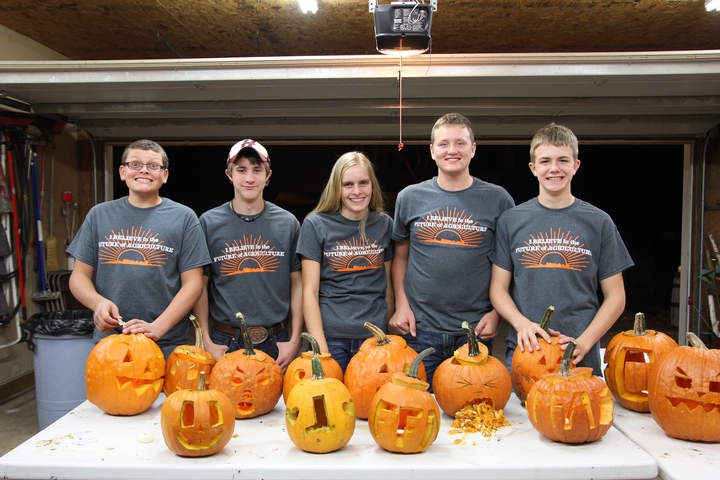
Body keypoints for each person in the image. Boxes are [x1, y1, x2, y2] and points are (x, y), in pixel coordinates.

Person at [489, 123, 634, 376]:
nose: (554, 169)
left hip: (579, 354)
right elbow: (498, 289)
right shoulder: (511, 220)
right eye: (545, 161)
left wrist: (585, 341)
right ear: (533, 168)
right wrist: (521, 324)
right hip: (527, 352)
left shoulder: (599, 222)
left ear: (576, 165)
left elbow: (616, 297)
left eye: (563, 160)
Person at [390, 113, 515, 388]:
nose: (452, 150)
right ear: (432, 150)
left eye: (460, 143)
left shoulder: (498, 200)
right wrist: (401, 304)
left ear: (473, 149)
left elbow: (507, 266)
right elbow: (400, 256)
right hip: (419, 329)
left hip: (476, 330)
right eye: (444, 143)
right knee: (417, 408)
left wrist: (497, 314)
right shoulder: (409, 197)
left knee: (472, 410)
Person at [68, 139, 210, 358]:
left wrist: (158, 327)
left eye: (153, 165)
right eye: (135, 164)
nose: (144, 170)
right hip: (111, 341)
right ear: (122, 172)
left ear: (165, 175)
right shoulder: (99, 215)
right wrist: (97, 302)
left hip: (166, 343)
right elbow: (78, 277)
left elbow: (193, 284)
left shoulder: (184, 218)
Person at [192, 139, 303, 370]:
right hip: (224, 341)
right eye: (241, 170)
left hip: (277, 341)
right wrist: (206, 341)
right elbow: (198, 286)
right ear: (229, 174)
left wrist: (294, 340)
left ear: (268, 174)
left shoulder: (287, 223)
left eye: (257, 170)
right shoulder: (208, 223)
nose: (249, 178)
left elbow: (298, 284)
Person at [297, 151, 394, 371]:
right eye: (348, 184)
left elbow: (387, 288)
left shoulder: (384, 225)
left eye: (363, 183)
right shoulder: (315, 225)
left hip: (374, 339)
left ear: (372, 186)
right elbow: (309, 292)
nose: (357, 191)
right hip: (332, 339)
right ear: (337, 188)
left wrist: (386, 335)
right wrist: (319, 346)